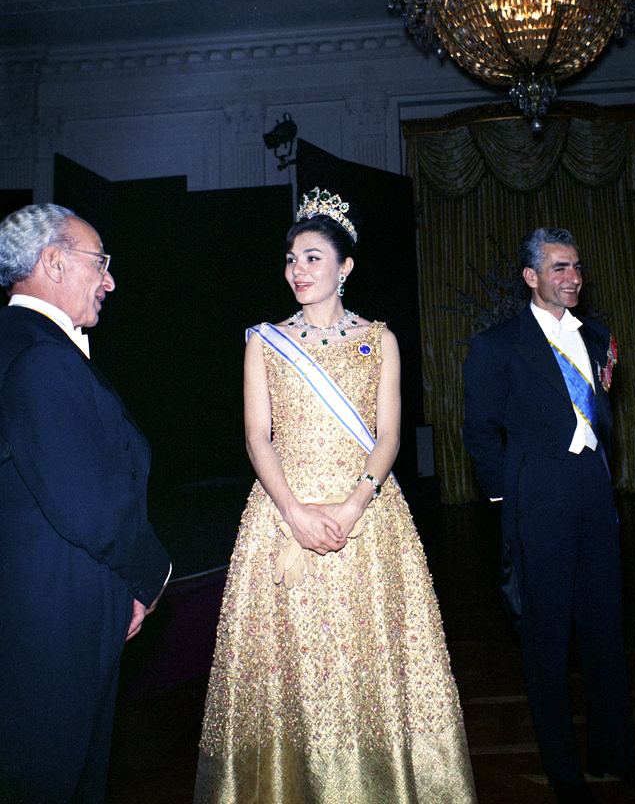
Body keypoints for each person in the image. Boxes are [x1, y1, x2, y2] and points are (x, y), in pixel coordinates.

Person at [195, 188, 476, 804]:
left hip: (366, 517)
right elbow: (257, 436)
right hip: (282, 513)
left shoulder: (381, 339)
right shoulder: (265, 340)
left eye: (313, 257)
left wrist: (352, 505)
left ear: (345, 267)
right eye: (291, 259)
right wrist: (293, 512)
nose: (297, 270)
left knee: (367, 660)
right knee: (290, 666)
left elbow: (389, 435)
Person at [463, 228, 635, 804]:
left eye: (576, 267)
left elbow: (603, 416)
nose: (572, 278)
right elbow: (480, 431)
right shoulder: (498, 345)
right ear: (531, 277)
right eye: (558, 268)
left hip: (594, 494)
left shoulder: (597, 336)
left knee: (605, 628)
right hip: (536, 498)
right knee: (546, 638)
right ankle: (564, 772)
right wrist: (506, 500)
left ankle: (614, 753)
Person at [0, 203, 171, 804]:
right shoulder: (41, 354)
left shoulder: (21, 342)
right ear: (53, 263)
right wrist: (152, 573)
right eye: (100, 263)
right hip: (54, 620)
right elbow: (88, 501)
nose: (110, 280)